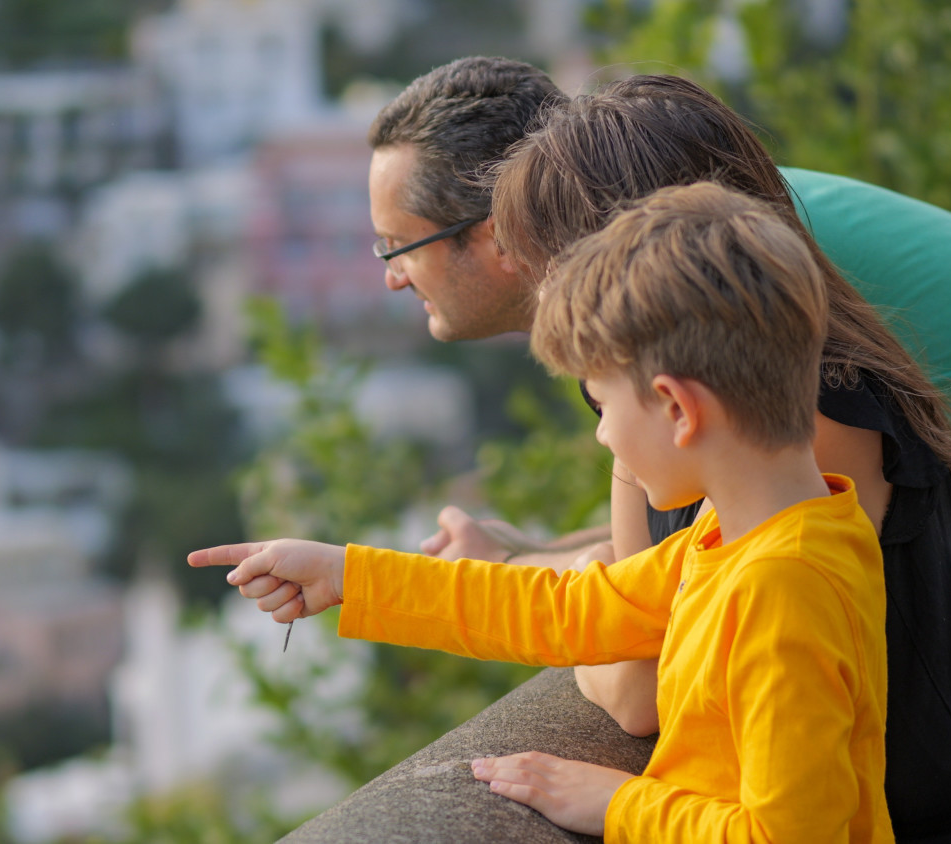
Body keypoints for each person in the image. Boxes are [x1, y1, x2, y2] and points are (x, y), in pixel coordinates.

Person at [368, 58, 951, 841]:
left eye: (548, 253)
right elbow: (684, 562)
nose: (545, 284)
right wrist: (538, 556)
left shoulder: (813, 412)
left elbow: (637, 680)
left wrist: (612, 792)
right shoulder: (772, 318)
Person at [195, 183, 895, 842]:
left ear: (677, 408)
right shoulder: (759, 535)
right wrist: (351, 575)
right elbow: (565, 608)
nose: (603, 435)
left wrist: (615, 801)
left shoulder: (781, 591)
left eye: (603, 404)